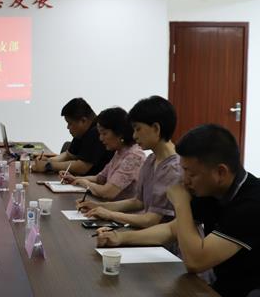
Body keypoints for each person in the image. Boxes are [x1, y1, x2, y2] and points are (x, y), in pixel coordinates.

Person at [96, 124, 260, 297]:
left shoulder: (254, 205)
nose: (184, 180)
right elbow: (171, 229)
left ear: (220, 172)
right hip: (233, 292)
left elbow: (196, 262)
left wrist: (181, 203)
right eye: (183, 170)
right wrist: (121, 238)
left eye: (191, 173)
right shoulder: (213, 190)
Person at [77, 96, 182, 227]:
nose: (134, 136)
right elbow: (138, 202)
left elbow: (152, 220)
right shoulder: (151, 160)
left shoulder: (173, 168)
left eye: (138, 129)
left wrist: (110, 214)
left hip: (158, 237)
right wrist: (99, 206)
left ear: (156, 128)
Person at [61, 107, 145, 200]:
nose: (100, 138)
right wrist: (75, 179)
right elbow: (100, 178)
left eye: (104, 133)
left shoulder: (134, 157)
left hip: (119, 208)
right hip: (108, 205)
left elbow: (107, 192)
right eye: (100, 134)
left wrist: (84, 182)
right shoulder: (119, 151)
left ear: (119, 133)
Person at [32, 98, 112, 175]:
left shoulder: (96, 132)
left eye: (70, 123)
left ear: (83, 121)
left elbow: (82, 167)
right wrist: (48, 161)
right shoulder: (82, 132)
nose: (68, 127)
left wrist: (48, 166)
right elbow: (68, 155)